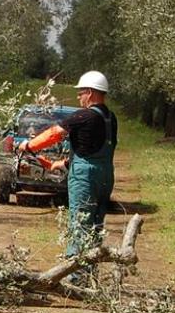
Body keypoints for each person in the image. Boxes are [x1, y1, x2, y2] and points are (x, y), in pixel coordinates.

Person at [18, 71, 118, 257]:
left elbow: (54, 133)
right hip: (105, 176)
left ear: (90, 92)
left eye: (80, 93)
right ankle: (89, 273)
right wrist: (60, 164)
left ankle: (75, 276)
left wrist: (29, 146)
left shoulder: (83, 116)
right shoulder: (110, 118)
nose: (79, 97)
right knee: (96, 225)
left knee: (79, 224)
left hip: (85, 178)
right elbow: (92, 146)